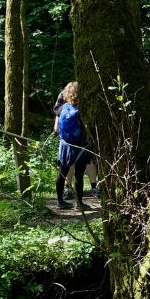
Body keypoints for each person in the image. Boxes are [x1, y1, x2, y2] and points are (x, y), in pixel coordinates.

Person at [53, 82, 93, 210]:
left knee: (62, 173)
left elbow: (57, 128)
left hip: (65, 145)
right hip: (79, 146)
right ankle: (79, 204)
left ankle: (60, 202)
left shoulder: (62, 108)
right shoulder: (81, 109)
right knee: (79, 175)